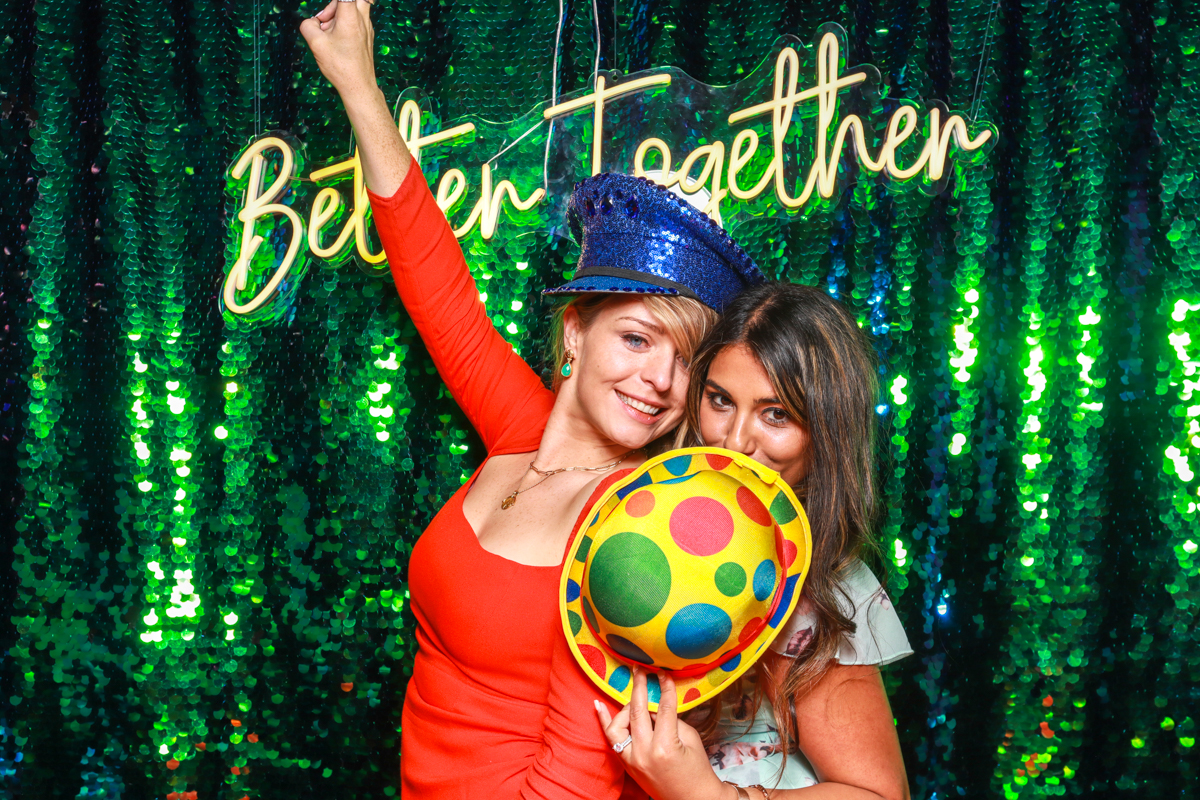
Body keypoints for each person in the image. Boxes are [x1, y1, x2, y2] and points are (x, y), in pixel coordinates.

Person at [299, 1, 764, 797]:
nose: (659, 380)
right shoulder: (518, 430)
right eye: (637, 339)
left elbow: (576, 778)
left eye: (688, 362)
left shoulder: (640, 524)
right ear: (576, 336)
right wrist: (358, 84)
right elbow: (434, 280)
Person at [597, 282, 913, 800]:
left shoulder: (821, 584)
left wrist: (712, 796)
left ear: (827, 431)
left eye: (776, 414)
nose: (735, 440)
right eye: (720, 400)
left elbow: (878, 794)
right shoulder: (652, 516)